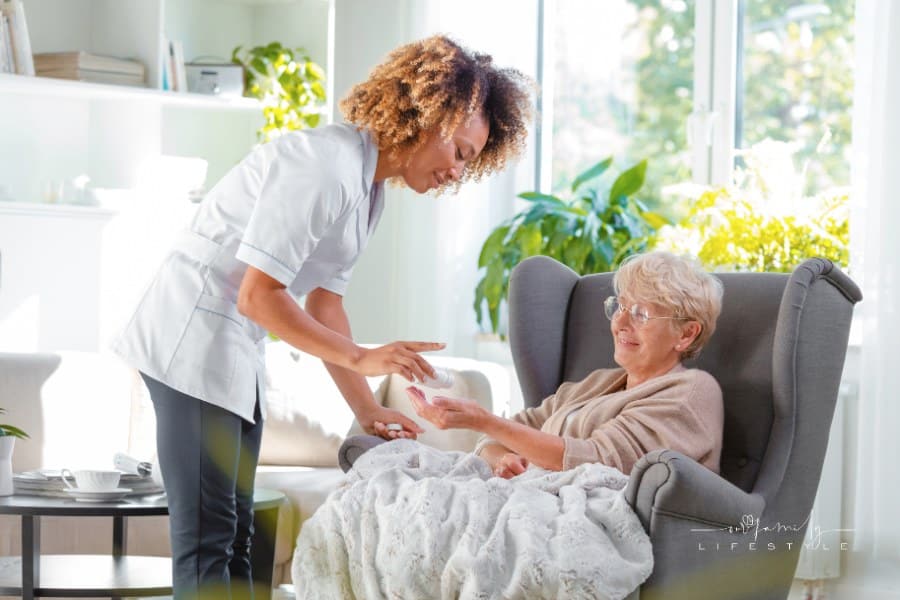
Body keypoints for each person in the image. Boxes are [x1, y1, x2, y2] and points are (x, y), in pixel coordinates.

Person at [111, 34, 533, 598]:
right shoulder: (324, 166)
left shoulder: (367, 187)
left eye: (471, 162)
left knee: (238, 539)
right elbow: (259, 295)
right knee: (210, 542)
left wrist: (367, 409)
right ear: (428, 116)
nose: (458, 172)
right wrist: (363, 357)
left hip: (233, 350)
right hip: (190, 338)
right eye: (459, 151)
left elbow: (325, 302)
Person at [390, 251, 725, 478]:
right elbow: (505, 434)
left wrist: (484, 421)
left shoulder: (692, 392)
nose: (620, 323)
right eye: (620, 306)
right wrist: (502, 458)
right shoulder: (597, 384)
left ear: (685, 334)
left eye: (640, 313)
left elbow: (597, 462)